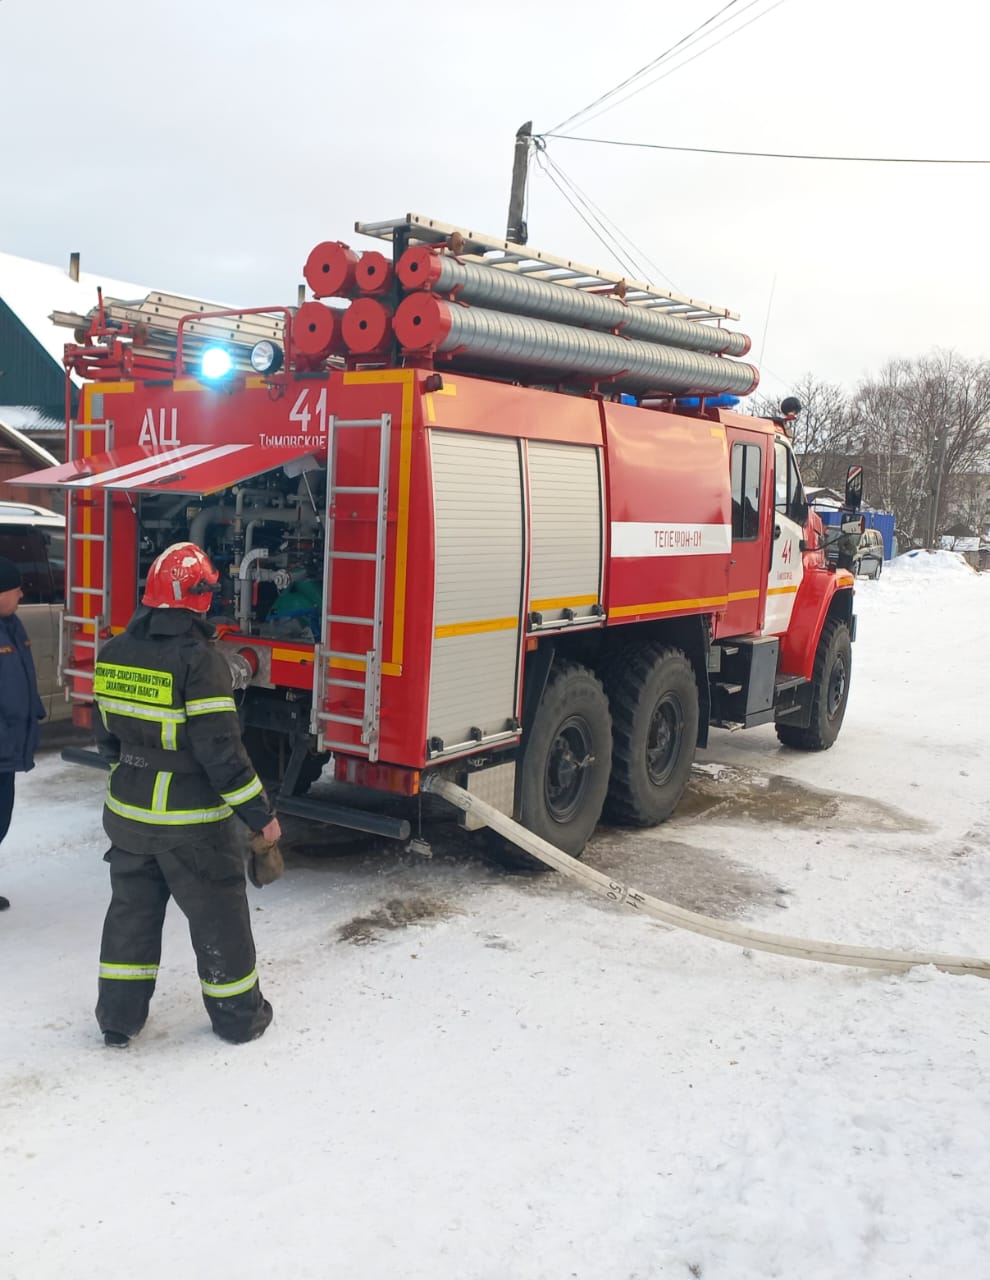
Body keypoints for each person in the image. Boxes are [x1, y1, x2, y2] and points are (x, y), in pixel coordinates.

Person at [92, 542, 281, 1048]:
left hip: (128, 816)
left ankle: (117, 1020)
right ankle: (240, 1019)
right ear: (197, 598)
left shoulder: (113, 650)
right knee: (220, 919)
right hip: (192, 825)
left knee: (130, 918)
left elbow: (105, 735)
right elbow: (222, 752)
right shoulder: (202, 663)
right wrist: (260, 815)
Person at [0, 556, 46, 913]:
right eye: (14, 587)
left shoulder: (12, 624)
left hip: (9, 747)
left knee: (1, 820)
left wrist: (35, 714)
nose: (20, 592)